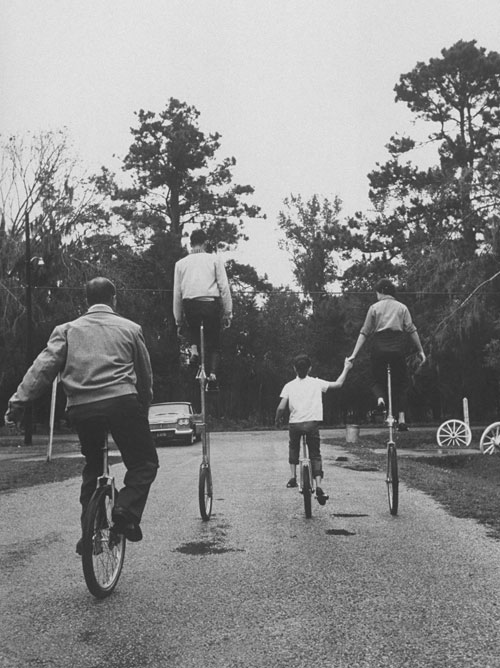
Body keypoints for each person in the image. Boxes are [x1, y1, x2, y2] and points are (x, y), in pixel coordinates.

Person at [4, 277, 159, 553]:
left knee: (93, 464)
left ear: (86, 302)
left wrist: (18, 403)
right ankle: (125, 511)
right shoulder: (131, 329)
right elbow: (145, 377)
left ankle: (90, 533)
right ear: (114, 299)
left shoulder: (66, 330)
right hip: (122, 404)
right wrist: (143, 408)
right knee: (144, 463)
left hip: (82, 408)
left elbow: (41, 370)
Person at [347, 278, 426, 431]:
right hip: (397, 347)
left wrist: (354, 354)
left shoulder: (374, 308)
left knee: (375, 379)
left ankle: (380, 398)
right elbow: (412, 330)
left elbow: (364, 332)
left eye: (377, 293)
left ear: (382, 292)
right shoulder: (402, 308)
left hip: (379, 347)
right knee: (402, 384)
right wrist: (421, 351)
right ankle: (402, 419)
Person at [275, 354, 352, 504]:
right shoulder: (317, 383)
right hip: (312, 424)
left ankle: (293, 477)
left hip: (295, 425)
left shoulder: (289, 385)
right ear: (310, 368)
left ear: (294, 369)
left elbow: (281, 407)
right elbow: (338, 384)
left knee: (293, 447)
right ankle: (319, 485)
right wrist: (346, 368)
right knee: (315, 454)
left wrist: (277, 420)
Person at [173, 228, 232, 389]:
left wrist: (178, 321)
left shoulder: (180, 264)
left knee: (193, 328)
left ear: (190, 244)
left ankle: (193, 350)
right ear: (205, 243)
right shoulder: (214, 260)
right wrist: (228, 313)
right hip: (209, 304)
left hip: (189, 305)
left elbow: (177, 294)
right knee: (214, 340)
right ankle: (212, 375)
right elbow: (224, 287)